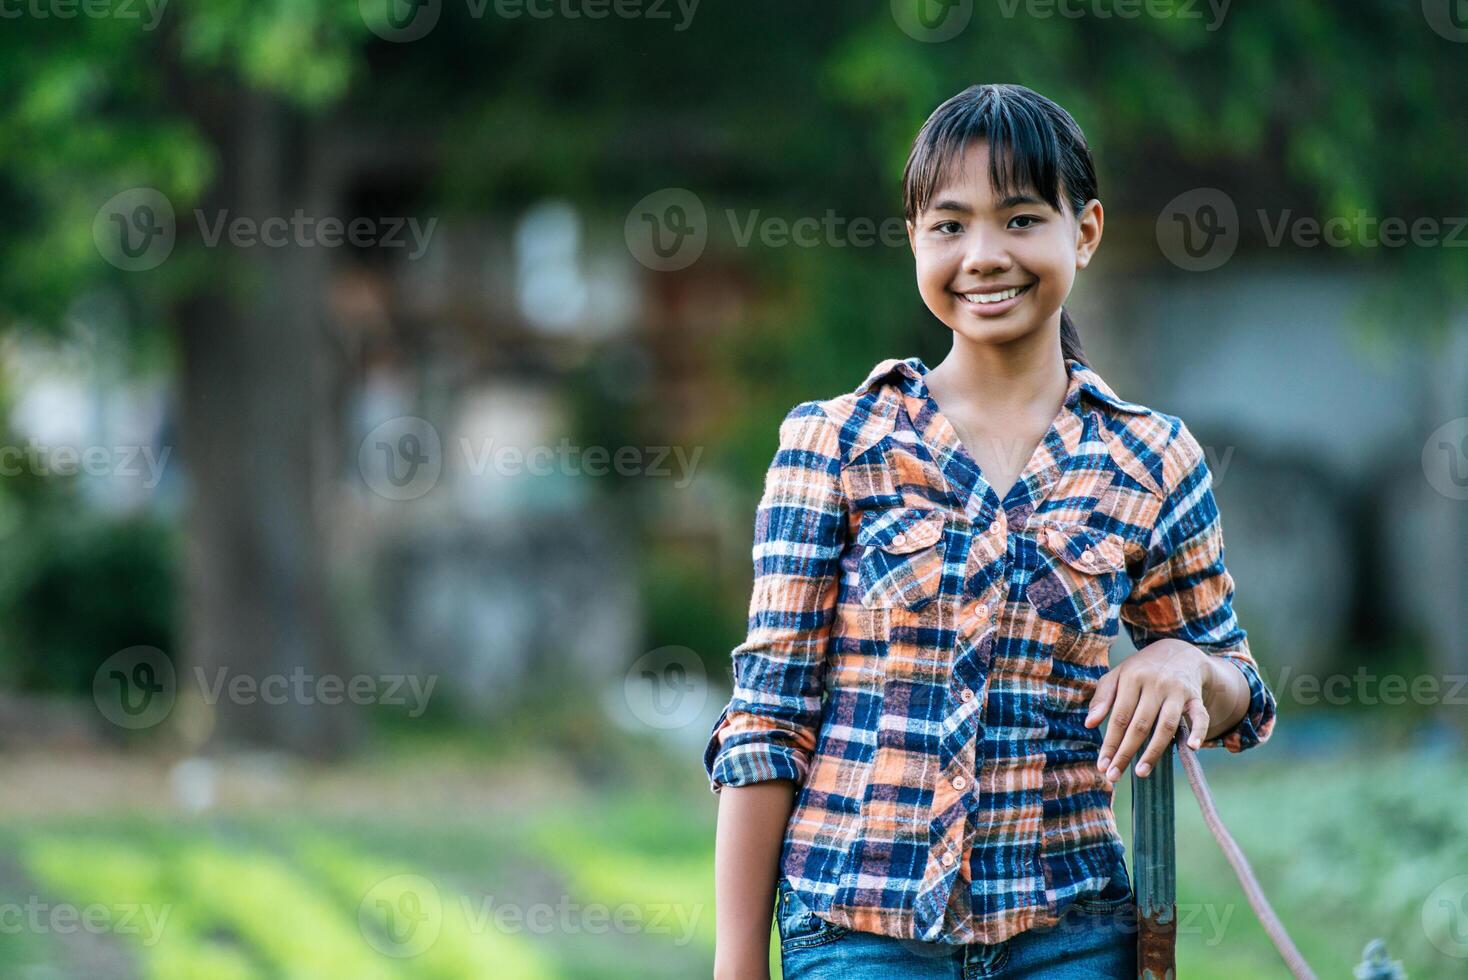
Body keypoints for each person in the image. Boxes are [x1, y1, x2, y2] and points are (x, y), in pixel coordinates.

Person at [703, 82, 1278, 980]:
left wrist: (1187, 664)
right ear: (914, 240)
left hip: (1071, 937)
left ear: (1082, 232)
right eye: (949, 225)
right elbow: (767, 724)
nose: (983, 255)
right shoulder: (836, 443)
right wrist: (738, 966)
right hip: (857, 935)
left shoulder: (1152, 457)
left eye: (1018, 219)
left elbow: (1240, 692)